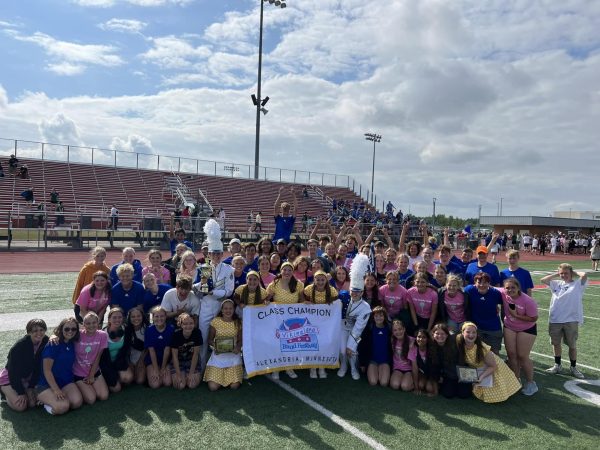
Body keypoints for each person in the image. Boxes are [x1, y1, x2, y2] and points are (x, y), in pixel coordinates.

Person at [195, 219, 234, 371]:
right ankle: (203, 367)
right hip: (205, 307)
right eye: (213, 253)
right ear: (209, 253)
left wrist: (213, 291)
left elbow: (229, 291)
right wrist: (201, 286)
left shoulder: (228, 269)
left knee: (222, 337)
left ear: (222, 254)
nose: (216, 256)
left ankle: (223, 366)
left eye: (219, 253)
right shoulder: (203, 268)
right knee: (204, 338)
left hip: (221, 308)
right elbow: (196, 286)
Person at [541, 264, 588, 379]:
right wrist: (558, 273)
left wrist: (573, 272)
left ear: (571, 273)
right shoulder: (556, 283)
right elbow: (543, 280)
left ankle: (573, 367)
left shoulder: (577, 284)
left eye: (566, 273)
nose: (563, 275)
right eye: (561, 273)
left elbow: (584, 275)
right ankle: (557, 365)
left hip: (571, 319)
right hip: (555, 318)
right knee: (556, 343)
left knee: (572, 345)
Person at [456, 322, 521, 403]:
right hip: (476, 368)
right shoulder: (458, 340)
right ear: (462, 333)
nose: (471, 335)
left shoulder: (482, 348)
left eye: (474, 332)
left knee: (495, 393)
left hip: (490, 368)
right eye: (468, 332)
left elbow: (493, 366)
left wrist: (481, 378)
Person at [36, 318, 83, 415]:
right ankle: (45, 403)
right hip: (46, 384)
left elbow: (87, 328)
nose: (70, 331)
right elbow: (47, 371)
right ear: (61, 329)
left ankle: (53, 399)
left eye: (73, 329)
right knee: (63, 407)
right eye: (66, 329)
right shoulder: (53, 344)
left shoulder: (72, 342)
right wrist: (56, 390)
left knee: (76, 403)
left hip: (65, 382)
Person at [500, 278, 539, 395]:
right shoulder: (503, 293)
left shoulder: (528, 301)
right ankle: (516, 380)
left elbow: (534, 318)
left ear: (518, 288)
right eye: (507, 288)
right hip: (509, 327)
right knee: (511, 354)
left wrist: (516, 316)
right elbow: (489, 287)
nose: (510, 290)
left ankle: (531, 383)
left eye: (513, 287)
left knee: (522, 356)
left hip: (527, 328)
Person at [0, 319, 48, 412]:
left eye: (41, 330)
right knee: (21, 407)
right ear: (29, 332)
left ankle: (23, 389)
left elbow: (37, 367)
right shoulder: (19, 346)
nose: (39, 333)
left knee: (32, 404)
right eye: (35, 331)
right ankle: (3, 391)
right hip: (10, 378)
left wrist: (31, 387)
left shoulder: (45, 341)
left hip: (27, 377)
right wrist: (21, 392)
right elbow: (13, 372)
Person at [338, 254, 371, 380]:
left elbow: (358, 328)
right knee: (342, 350)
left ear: (362, 292)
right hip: (342, 326)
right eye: (353, 291)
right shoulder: (343, 296)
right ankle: (343, 366)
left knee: (352, 350)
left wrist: (350, 345)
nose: (354, 294)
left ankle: (353, 368)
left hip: (355, 331)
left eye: (357, 291)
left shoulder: (365, 307)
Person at [204, 300, 243, 391]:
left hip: (233, 356)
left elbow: (240, 340)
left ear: (234, 310)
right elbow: (209, 340)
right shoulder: (215, 321)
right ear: (221, 310)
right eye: (225, 308)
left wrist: (238, 347)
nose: (228, 311)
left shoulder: (238, 322)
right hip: (219, 357)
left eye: (230, 308)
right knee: (213, 387)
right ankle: (219, 377)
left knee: (234, 386)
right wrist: (217, 346)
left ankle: (231, 376)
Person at [71, 312, 109, 405]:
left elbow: (98, 357)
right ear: (83, 325)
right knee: (91, 399)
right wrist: (53, 336)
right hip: (79, 373)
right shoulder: (77, 334)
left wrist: (91, 375)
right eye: (88, 323)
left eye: (94, 323)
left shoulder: (102, 335)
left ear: (98, 323)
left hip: (94, 371)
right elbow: (63, 335)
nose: (91, 325)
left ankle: (88, 387)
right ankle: (77, 387)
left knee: (103, 396)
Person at [464, 272, 503, 354]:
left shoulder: (495, 293)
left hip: (493, 327)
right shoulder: (469, 290)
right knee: (477, 352)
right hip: (477, 327)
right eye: (479, 282)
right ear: (475, 283)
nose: (482, 285)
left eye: (485, 282)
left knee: (494, 353)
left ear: (489, 283)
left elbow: (505, 303)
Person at [429, 323, 471, 399]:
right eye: (437, 333)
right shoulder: (432, 346)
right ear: (433, 334)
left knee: (464, 395)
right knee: (448, 394)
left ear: (447, 335)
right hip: (449, 375)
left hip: (462, 372)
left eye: (443, 334)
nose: (440, 336)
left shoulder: (454, 341)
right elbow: (435, 366)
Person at [100, 308, 134, 393]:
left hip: (119, 361)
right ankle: (109, 380)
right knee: (116, 389)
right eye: (114, 317)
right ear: (109, 319)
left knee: (128, 379)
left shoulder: (126, 330)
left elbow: (126, 349)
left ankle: (117, 377)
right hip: (107, 364)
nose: (117, 320)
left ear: (123, 319)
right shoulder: (102, 334)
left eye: (120, 317)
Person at [72, 247, 110, 320]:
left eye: (102, 256)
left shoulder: (107, 270)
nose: (100, 258)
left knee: (97, 325)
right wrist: (76, 300)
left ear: (105, 256)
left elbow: (107, 287)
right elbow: (79, 284)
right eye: (97, 256)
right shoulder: (86, 268)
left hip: (98, 304)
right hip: (84, 301)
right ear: (94, 256)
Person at [358, 307, 392, 387]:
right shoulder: (369, 329)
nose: (378, 318)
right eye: (376, 316)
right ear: (373, 317)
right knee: (373, 382)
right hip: (372, 361)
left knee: (383, 383)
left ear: (385, 317)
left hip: (385, 361)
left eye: (381, 315)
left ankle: (382, 371)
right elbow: (362, 347)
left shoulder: (389, 329)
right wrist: (362, 363)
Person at [170, 313, 202, 390]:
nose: (188, 326)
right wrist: (178, 374)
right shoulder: (176, 334)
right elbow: (174, 356)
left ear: (194, 324)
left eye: (191, 323)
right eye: (185, 324)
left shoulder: (197, 333)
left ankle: (188, 374)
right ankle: (182, 374)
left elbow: (195, 355)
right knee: (181, 386)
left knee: (191, 385)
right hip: (179, 362)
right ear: (181, 325)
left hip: (192, 361)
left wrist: (191, 373)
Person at [145, 306, 174, 389]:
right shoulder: (149, 330)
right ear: (153, 317)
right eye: (156, 316)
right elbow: (151, 351)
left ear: (165, 317)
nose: (159, 318)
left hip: (166, 360)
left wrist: (163, 367)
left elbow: (167, 350)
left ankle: (163, 370)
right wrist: (156, 369)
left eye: (162, 316)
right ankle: (150, 373)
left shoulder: (171, 329)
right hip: (152, 361)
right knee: (155, 385)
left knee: (167, 383)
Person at [389, 320, 414, 392]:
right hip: (397, 368)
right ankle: (402, 379)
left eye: (400, 329)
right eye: (395, 330)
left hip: (408, 369)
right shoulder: (392, 340)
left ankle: (411, 382)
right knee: (395, 385)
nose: (398, 332)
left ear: (404, 329)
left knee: (405, 387)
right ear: (393, 332)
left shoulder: (412, 340)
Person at [409, 329, 436, 396]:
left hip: (433, 374)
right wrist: (416, 388)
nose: (421, 339)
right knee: (420, 385)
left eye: (424, 337)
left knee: (429, 388)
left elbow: (434, 369)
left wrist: (435, 392)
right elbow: (414, 369)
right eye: (419, 337)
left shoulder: (431, 349)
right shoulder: (413, 349)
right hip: (423, 374)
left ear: (427, 339)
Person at [125, 308, 148, 385]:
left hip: (143, 358)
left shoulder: (147, 328)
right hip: (131, 359)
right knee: (130, 380)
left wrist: (141, 361)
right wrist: (129, 362)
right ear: (129, 318)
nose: (136, 318)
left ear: (142, 316)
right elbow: (125, 349)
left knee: (140, 381)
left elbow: (148, 348)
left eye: (138, 316)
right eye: (133, 316)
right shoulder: (126, 329)